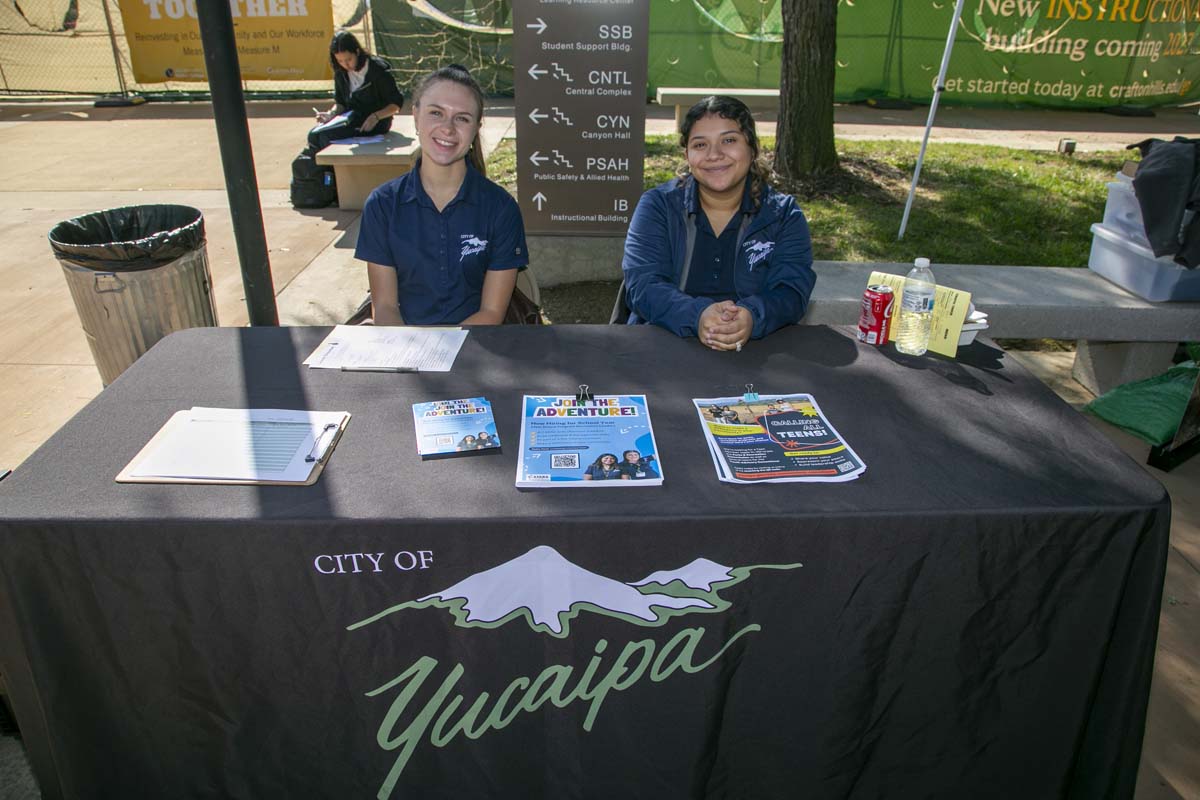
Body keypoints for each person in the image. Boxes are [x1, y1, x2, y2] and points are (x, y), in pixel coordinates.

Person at [621, 95, 816, 351]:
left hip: (756, 352)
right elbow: (643, 286)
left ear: (753, 148)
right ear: (687, 154)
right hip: (665, 345)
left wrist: (750, 316)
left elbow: (792, 290)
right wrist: (698, 315)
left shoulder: (782, 215)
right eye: (700, 145)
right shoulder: (658, 206)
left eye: (729, 140)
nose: (714, 154)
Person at [356, 64, 527, 326]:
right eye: (436, 113)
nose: (448, 128)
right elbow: (386, 306)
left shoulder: (501, 208)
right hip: (404, 348)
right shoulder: (382, 205)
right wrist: (411, 356)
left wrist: (442, 355)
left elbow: (492, 313)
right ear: (415, 116)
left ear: (475, 128)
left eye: (462, 118)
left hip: (476, 348)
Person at [308, 31, 405, 153]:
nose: (345, 64)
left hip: (374, 123)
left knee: (325, 136)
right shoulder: (340, 73)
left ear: (357, 52)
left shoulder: (377, 70)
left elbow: (396, 104)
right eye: (340, 61)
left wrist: (375, 117)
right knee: (313, 135)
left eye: (349, 59)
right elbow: (340, 103)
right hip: (350, 119)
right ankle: (323, 171)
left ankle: (331, 171)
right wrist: (330, 114)